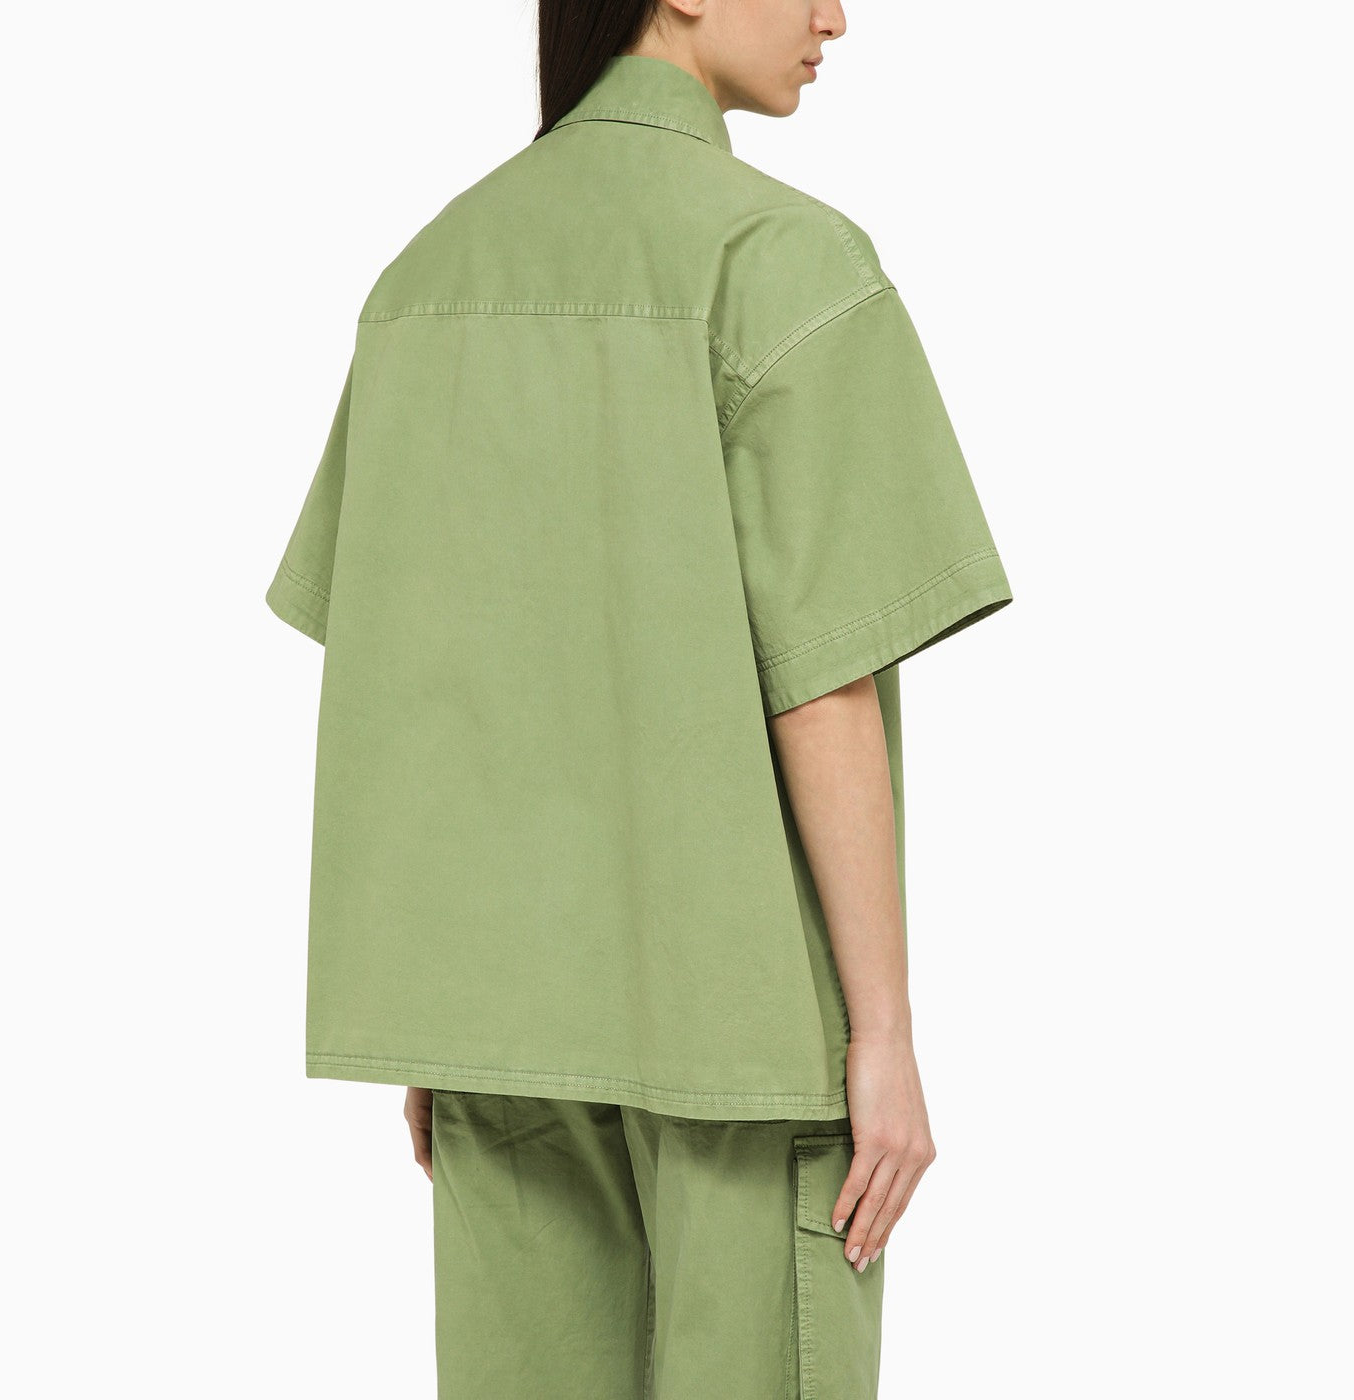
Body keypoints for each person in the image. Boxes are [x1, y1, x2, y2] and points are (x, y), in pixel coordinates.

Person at [264, 2, 1013, 1395]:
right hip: (741, 1031)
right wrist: (885, 1037)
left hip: (495, 1033)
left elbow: (413, 655)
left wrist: (445, 1013)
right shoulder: (777, 261)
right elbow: (824, 686)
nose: (835, 15)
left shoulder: (430, 275)